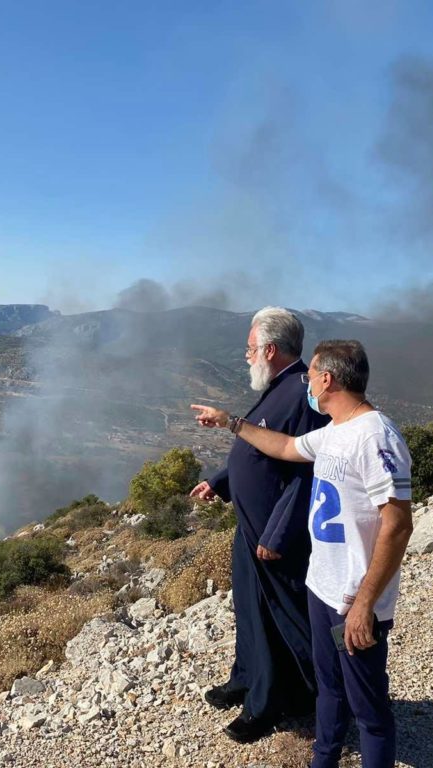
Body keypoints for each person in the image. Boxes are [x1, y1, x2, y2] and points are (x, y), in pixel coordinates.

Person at [192, 339, 413, 768]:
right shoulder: (333, 432)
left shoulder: (376, 437)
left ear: (327, 379)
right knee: (329, 690)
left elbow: (399, 524)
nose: (306, 381)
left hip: (352, 599)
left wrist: (364, 603)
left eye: (310, 374)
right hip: (321, 589)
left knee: (369, 710)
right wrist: (231, 423)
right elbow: (285, 448)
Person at [188, 307, 329, 743]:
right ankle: (245, 678)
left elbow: (307, 472)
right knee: (249, 609)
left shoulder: (304, 394)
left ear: (270, 349)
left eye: (250, 349)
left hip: (273, 536)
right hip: (251, 527)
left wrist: (278, 534)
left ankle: (268, 705)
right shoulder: (278, 387)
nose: (246, 356)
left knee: (275, 618)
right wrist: (220, 481)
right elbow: (257, 445)